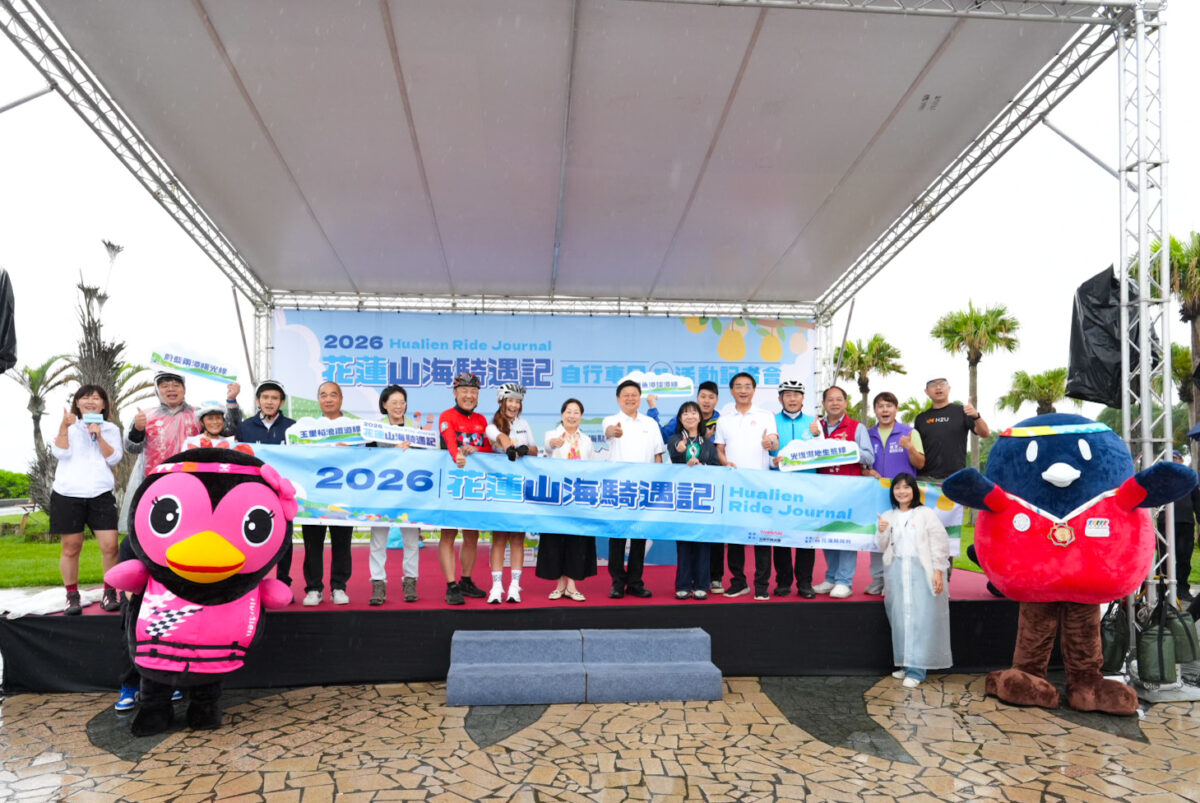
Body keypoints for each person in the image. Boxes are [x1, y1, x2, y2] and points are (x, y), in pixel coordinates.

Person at [50, 385, 124, 615]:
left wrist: (98, 436)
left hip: (100, 493)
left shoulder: (111, 428)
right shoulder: (68, 426)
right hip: (68, 493)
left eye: (96, 398)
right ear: (77, 403)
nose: (90, 401)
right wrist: (64, 427)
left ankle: (109, 592)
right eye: (85, 397)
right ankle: (72, 595)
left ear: (103, 405)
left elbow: (114, 458)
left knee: (110, 545)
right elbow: (60, 452)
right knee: (71, 547)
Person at [876, 472, 952, 688]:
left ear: (914, 490)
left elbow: (939, 542)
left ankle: (918, 670)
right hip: (897, 572)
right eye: (897, 487)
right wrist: (882, 531)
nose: (902, 491)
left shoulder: (925, 514)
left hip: (921, 571)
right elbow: (882, 546)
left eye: (906, 487)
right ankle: (905, 663)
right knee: (901, 619)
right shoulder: (888, 516)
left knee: (920, 619)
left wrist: (938, 571)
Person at [714, 372, 779, 599]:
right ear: (732, 390)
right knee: (735, 538)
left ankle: (761, 586)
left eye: (748, 386)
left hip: (760, 485)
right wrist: (725, 462)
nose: (743, 390)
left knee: (762, 537)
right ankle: (739, 582)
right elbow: (719, 449)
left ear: (754, 390)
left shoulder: (765, 415)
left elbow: (774, 442)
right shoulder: (724, 419)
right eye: (738, 386)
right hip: (734, 485)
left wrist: (769, 442)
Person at [811, 385, 877, 598]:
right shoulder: (816, 427)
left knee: (846, 534)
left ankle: (844, 581)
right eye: (830, 399)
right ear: (824, 403)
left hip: (850, 490)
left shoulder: (857, 427)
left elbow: (869, 457)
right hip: (823, 490)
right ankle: (831, 578)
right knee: (828, 533)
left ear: (846, 403)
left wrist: (846, 448)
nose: (835, 403)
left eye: (839, 399)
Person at [604, 379, 665, 598]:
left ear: (640, 398)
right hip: (619, 487)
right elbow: (608, 432)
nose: (630, 398)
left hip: (644, 487)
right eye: (626, 395)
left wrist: (657, 484)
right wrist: (613, 431)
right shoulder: (611, 420)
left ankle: (636, 582)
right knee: (617, 536)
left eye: (634, 395)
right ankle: (617, 582)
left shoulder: (650, 423)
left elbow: (658, 454)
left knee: (640, 536)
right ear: (618, 399)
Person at [234, 379, 296, 588]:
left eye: (275, 398)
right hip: (254, 490)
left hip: (283, 492)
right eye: (266, 397)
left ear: (282, 402)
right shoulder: (245, 427)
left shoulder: (293, 427)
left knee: (285, 536)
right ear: (258, 400)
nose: (270, 402)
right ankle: (252, 584)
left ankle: (283, 582)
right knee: (251, 534)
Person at [864, 391, 927, 596]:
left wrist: (909, 448)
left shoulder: (909, 433)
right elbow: (862, 466)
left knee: (903, 536)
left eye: (889, 406)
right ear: (875, 410)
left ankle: (898, 580)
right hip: (876, 495)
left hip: (903, 496)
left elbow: (920, 463)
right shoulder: (867, 434)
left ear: (896, 409)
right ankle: (878, 579)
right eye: (881, 406)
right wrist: (866, 472)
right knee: (879, 534)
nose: (885, 410)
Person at [536, 398, 598, 601]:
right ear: (562, 414)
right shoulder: (552, 434)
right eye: (568, 411)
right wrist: (554, 444)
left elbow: (591, 467)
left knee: (576, 541)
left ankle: (572, 585)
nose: (572, 415)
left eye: (576, 412)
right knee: (556, 540)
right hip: (557, 497)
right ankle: (559, 584)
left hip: (579, 497)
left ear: (581, 416)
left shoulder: (586, 440)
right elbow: (548, 447)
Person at [438, 372, 492, 605]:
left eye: (473, 392)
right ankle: (451, 586)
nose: (469, 396)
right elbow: (450, 440)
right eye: (464, 391)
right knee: (448, 534)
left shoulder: (482, 420)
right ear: (455, 393)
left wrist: (477, 450)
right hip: (450, 484)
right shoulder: (446, 416)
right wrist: (457, 455)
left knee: (472, 535)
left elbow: (490, 449)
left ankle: (466, 581)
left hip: (473, 487)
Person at [366, 385, 422, 605]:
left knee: (411, 539)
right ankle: (378, 583)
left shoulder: (415, 428)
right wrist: (391, 452)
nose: (399, 406)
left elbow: (428, 457)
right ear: (384, 404)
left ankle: (410, 580)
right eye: (394, 402)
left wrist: (413, 451)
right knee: (378, 539)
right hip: (381, 493)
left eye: (402, 402)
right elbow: (367, 458)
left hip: (409, 493)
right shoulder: (375, 429)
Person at [125, 371, 240, 478]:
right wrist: (137, 430)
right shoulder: (145, 416)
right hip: (155, 479)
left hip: (192, 479)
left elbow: (229, 432)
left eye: (176, 385)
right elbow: (132, 449)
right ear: (157, 391)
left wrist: (231, 400)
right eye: (165, 386)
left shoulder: (198, 414)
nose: (171, 389)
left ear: (184, 390)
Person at [301, 381, 354, 606]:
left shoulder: (355, 429)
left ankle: (339, 587)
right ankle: (314, 588)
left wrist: (351, 451)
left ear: (341, 399)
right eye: (323, 395)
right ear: (318, 400)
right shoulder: (307, 428)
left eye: (333, 395)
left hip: (343, 496)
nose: (328, 399)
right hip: (313, 497)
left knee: (342, 543)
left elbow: (369, 457)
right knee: (312, 544)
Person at [485, 383, 538, 604]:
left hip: (520, 487)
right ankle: (496, 586)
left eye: (518, 401)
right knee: (499, 538)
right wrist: (509, 448)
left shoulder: (524, 424)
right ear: (501, 401)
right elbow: (501, 437)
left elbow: (535, 449)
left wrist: (525, 450)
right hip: (499, 487)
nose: (514, 405)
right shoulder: (492, 425)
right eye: (511, 401)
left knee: (517, 538)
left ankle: (515, 586)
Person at [768, 379, 818, 599]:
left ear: (803, 398)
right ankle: (783, 581)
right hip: (780, 488)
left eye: (796, 394)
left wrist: (818, 435)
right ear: (780, 399)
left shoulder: (813, 423)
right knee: (781, 537)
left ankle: (805, 583)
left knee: (806, 538)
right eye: (787, 395)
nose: (792, 398)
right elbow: (765, 452)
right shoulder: (771, 421)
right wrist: (772, 461)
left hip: (808, 489)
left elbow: (824, 453)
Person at [667, 401, 720, 599]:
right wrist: (680, 450)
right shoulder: (675, 439)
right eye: (685, 413)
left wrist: (702, 466)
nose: (690, 416)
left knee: (702, 543)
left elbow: (716, 468)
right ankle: (682, 584)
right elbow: (674, 453)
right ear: (680, 419)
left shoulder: (707, 443)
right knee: (683, 543)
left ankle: (701, 584)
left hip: (703, 500)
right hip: (682, 498)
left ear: (699, 417)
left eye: (693, 413)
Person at [913, 377, 990, 482]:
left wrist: (976, 416)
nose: (938, 387)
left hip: (955, 478)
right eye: (933, 385)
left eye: (942, 384)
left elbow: (985, 433)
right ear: (926, 391)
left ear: (949, 388)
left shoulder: (962, 411)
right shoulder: (921, 418)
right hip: (926, 479)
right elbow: (917, 449)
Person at [1157, 450, 1200, 602]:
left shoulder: (1190, 477)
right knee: (1163, 558)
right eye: (1167, 458)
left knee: (1184, 559)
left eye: (1174, 458)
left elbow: (1197, 501)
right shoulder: (1160, 477)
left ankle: (1182, 589)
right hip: (1164, 523)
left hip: (1185, 523)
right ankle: (1161, 590)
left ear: (1181, 460)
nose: (1172, 460)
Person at [646, 380, 721, 441]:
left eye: (711, 397)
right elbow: (661, 436)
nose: (706, 401)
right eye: (703, 396)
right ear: (697, 398)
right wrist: (652, 408)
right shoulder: (683, 419)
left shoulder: (721, 422)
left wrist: (706, 440)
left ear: (717, 400)